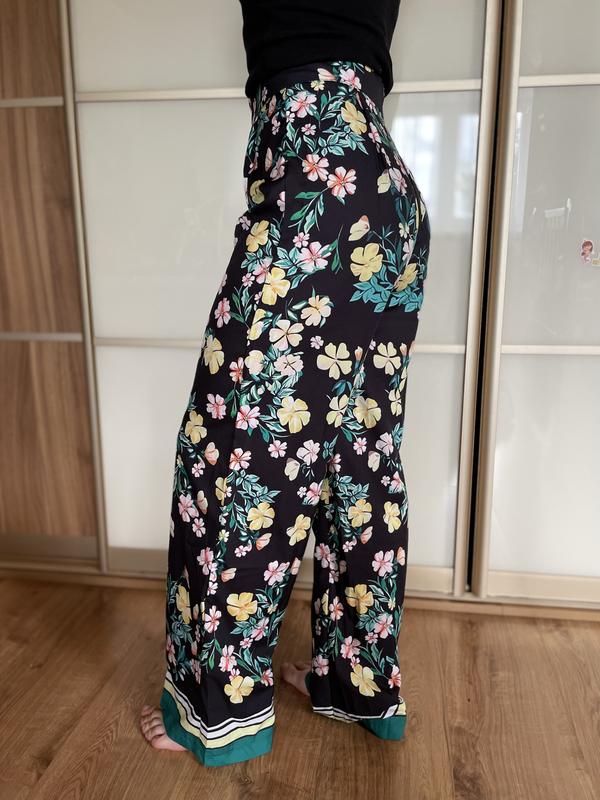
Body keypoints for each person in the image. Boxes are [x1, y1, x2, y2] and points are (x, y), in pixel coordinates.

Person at [141, 0, 431, 768]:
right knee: (359, 459)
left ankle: (218, 709)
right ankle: (358, 682)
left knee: (237, 449)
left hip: (317, 173)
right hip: (389, 195)